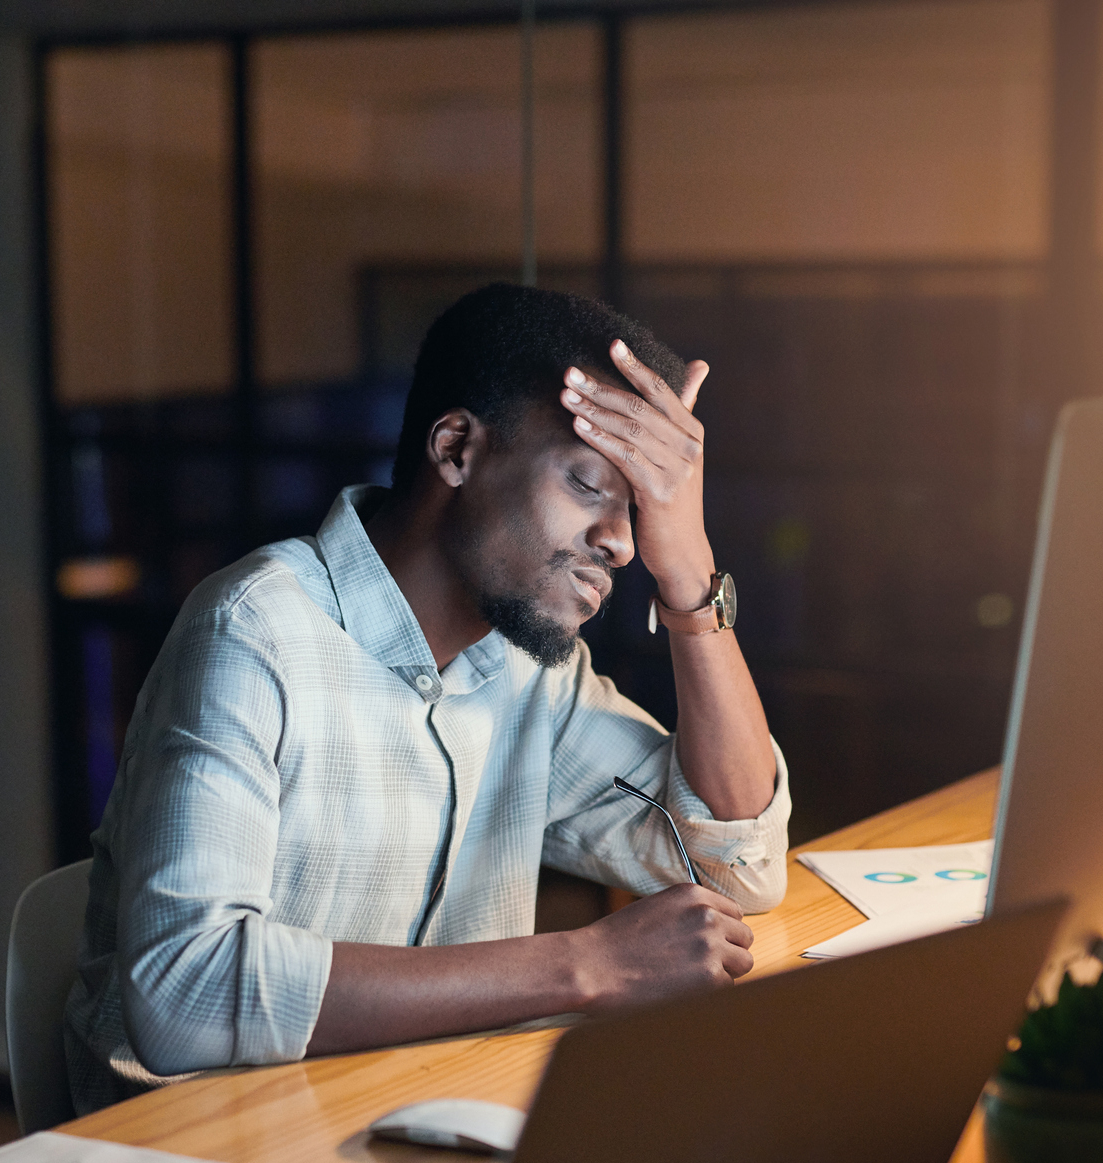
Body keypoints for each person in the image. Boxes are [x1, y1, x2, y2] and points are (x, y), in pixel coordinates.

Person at [63, 283, 791, 1116]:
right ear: (455, 449)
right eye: (590, 486)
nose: (623, 544)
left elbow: (734, 861)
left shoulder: (528, 668)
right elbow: (183, 995)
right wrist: (585, 965)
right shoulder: (255, 630)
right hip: (210, 1160)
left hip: (420, 1117)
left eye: (642, 511)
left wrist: (689, 572)